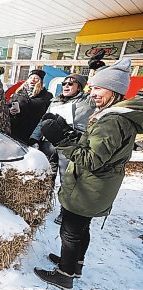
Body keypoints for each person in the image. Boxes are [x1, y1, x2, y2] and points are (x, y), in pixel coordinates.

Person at [34, 58, 143, 290]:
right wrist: (68, 132)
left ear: (114, 90)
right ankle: (74, 264)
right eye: (91, 88)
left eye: (98, 88)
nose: (92, 93)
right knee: (82, 228)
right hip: (98, 185)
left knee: (71, 231)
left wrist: (61, 139)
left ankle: (64, 275)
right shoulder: (112, 114)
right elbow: (92, 147)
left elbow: (90, 160)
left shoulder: (112, 120)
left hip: (90, 186)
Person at [29, 73, 96, 224]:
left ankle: (65, 211)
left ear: (80, 87)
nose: (66, 86)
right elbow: (43, 121)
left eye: (70, 84)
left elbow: (101, 89)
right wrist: (35, 137)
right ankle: (41, 206)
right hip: (49, 144)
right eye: (64, 83)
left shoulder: (87, 101)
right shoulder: (56, 101)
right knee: (45, 177)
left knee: (67, 180)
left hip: (69, 146)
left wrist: (96, 68)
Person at [9, 69, 53, 143]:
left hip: (33, 131)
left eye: (36, 78)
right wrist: (11, 111)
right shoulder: (19, 93)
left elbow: (48, 114)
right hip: (16, 130)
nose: (33, 80)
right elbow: (8, 107)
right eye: (31, 77)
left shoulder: (46, 95)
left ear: (41, 81)